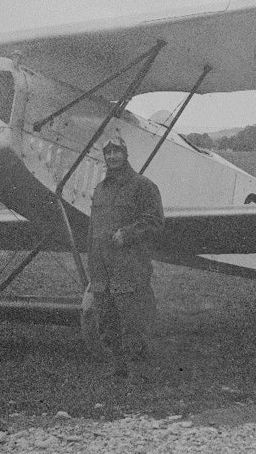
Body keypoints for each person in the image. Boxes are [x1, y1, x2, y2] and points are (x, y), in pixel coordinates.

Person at [81, 134, 164, 377]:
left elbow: (155, 222)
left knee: (133, 320)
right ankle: (118, 369)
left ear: (125, 154)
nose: (112, 156)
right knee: (106, 319)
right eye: (108, 152)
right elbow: (92, 229)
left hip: (129, 265)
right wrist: (92, 261)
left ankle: (139, 373)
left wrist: (127, 235)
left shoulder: (143, 186)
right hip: (102, 267)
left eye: (117, 151)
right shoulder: (100, 189)